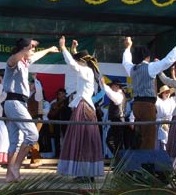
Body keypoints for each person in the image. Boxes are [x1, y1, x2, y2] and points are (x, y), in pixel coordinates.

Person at [3, 38, 59, 183]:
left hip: (17, 103)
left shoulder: (25, 62)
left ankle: (10, 175)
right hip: (14, 102)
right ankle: (15, 166)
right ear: (24, 49)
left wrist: (49, 49)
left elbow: (35, 56)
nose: (33, 51)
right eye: (31, 49)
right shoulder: (14, 62)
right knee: (32, 135)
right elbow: (12, 59)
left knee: (15, 141)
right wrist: (26, 48)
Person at [122, 32, 176, 149]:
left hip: (136, 105)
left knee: (139, 134)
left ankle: (138, 161)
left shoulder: (132, 69)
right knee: (149, 136)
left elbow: (125, 61)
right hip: (147, 105)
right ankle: (146, 164)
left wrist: (127, 47)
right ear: (147, 57)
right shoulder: (150, 67)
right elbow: (168, 60)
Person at [57, 36, 104, 181]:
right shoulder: (88, 70)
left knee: (82, 140)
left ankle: (85, 173)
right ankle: (86, 173)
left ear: (82, 62)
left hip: (83, 108)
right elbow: (76, 61)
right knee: (86, 140)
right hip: (86, 107)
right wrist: (73, 49)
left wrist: (63, 48)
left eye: (79, 59)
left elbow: (73, 64)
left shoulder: (86, 71)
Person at [101, 78, 127, 156]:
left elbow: (110, 94)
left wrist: (104, 85)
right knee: (113, 141)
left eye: (112, 86)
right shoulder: (119, 94)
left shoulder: (118, 95)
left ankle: (119, 158)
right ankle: (118, 157)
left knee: (116, 141)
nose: (111, 88)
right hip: (116, 120)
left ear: (117, 86)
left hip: (118, 120)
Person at [27, 74, 44, 168]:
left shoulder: (38, 95)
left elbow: (39, 89)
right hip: (31, 119)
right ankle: (34, 160)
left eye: (31, 84)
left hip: (37, 119)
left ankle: (37, 160)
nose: (30, 85)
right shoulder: (29, 95)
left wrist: (35, 79)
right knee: (32, 139)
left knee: (33, 138)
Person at [48, 88, 71, 158]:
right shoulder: (54, 103)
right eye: (60, 94)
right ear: (58, 95)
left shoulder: (69, 103)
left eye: (64, 95)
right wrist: (58, 106)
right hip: (57, 125)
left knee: (67, 140)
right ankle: (57, 155)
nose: (62, 96)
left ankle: (67, 155)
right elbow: (50, 115)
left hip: (67, 125)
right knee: (57, 141)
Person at [155, 85, 176, 150]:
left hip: (170, 124)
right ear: (162, 94)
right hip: (160, 124)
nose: (168, 94)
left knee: (170, 142)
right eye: (165, 92)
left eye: (168, 92)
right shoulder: (158, 101)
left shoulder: (172, 100)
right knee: (160, 143)